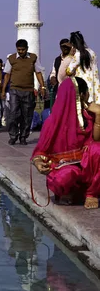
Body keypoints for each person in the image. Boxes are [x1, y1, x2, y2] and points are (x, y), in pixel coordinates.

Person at [32, 77, 100, 209]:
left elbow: (97, 141)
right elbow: (40, 152)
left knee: (98, 150)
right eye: (87, 93)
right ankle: (67, 192)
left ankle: (91, 193)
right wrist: (38, 163)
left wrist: (99, 116)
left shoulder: (89, 116)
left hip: (88, 170)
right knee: (66, 176)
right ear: (81, 95)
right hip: (65, 170)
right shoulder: (52, 123)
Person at [1, 39, 46, 145]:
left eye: (23, 50)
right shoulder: (11, 58)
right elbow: (7, 74)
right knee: (13, 114)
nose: (21, 52)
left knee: (27, 115)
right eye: (19, 50)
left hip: (28, 90)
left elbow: (38, 72)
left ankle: (23, 136)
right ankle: (13, 135)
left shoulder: (33, 58)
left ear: (27, 48)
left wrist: (42, 87)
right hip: (14, 90)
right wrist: (3, 90)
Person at [59, 32, 100, 104]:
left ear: (73, 44)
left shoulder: (78, 55)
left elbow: (69, 71)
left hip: (83, 86)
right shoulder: (92, 52)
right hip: (94, 85)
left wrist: (70, 55)